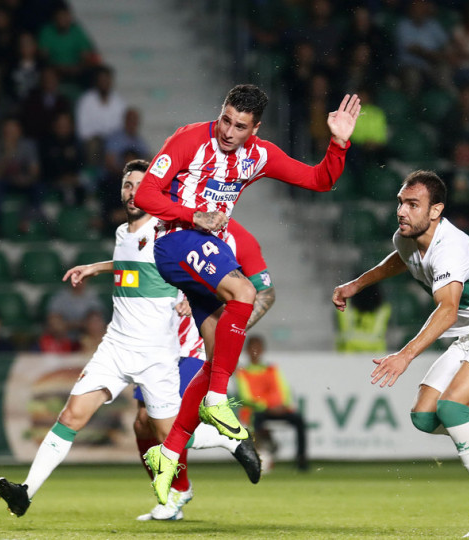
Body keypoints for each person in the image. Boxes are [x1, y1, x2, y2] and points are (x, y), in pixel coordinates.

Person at [132, 83, 360, 505]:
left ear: (255, 128)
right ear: (220, 112)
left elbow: (320, 179)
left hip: (202, 251)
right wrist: (193, 214)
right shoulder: (188, 140)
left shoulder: (261, 156)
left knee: (217, 354)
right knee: (244, 290)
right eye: (225, 120)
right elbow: (146, 193)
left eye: (240, 126)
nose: (228, 132)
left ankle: (169, 453)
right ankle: (219, 400)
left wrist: (338, 143)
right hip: (175, 241)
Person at [0, 160, 257, 519]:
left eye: (139, 185)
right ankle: (25, 493)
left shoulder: (171, 232)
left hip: (156, 355)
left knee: (171, 437)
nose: (131, 192)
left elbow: (206, 270)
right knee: (72, 415)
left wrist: (192, 295)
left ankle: (230, 439)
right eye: (127, 185)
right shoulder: (123, 233)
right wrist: (95, 267)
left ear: (155, 190)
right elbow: (130, 263)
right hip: (115, 347)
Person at [331, 170, 469, 538]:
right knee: (425, 417)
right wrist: (357, 284)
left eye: (413, 204)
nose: (402, 210)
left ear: (436, 211)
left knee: (451, 409)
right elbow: (399, 260)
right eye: (401, 201)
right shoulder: (407, 237)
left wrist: (404, 355)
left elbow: (447, 311)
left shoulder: (450, 246)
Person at [133, 217, 276, 520]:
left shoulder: (239, 237)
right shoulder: (165, 228)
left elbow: (265, 292)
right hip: (159, 339)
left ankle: (181, 490)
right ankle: (182, 485)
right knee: (141, 422)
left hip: (196, 342)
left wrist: (229, 332)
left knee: (160, 422)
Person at [236, 334, 308, 471]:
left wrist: (284, 405)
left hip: (277, 409)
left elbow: (284, 389)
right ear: (247, 351)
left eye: (258, 348)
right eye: (252, 348)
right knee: (256, 419)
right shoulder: (242, 373)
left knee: (299, 420)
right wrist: (267, 406)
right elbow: (245, 397)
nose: (255, 352)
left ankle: (301, 460)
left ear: (263, 350)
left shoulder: (272, 369)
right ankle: (257, 456)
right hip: (258, 411)